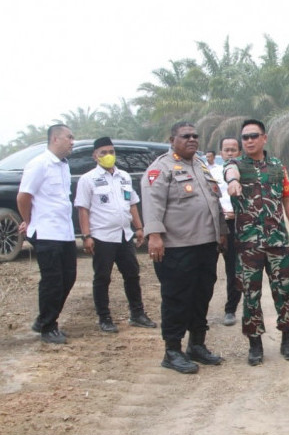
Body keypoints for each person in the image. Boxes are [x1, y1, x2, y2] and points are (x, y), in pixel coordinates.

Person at [141, 122, 228, 374]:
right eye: (185, 136)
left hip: (205, 244)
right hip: (177, 246)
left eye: (195, 136)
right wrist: (154, 236)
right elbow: (152, 204)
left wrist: (221, 230)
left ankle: (197, 345)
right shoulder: (160, 168)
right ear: (172, 139)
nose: (192, 139)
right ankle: (172, 350)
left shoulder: (201, 166)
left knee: (201, 296)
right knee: (177, 299)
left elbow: (214, 201)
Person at [224, 119, 289, 366]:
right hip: (248, 245)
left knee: (285, 291)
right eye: (244, 137)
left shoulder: (278, 167)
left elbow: (288, 198)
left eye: (253, 136)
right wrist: (233, 181)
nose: (248, 141)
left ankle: (288, 340)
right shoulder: (235, 164)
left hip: (277, 241)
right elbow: (230, 172)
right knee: (250, 294)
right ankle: (255, 344)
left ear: (264, 138)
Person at [74, 137, 157, 333]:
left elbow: (132, 204)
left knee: (132, 275)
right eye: (103, 153)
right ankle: (104, 318)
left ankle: (137, 314)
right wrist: (86, 236)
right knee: (102, 278)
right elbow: (83, 209)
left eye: (111, 152)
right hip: (102, 236)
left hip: (124, 235)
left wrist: (139, 228)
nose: (108, 156)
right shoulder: (88, 179)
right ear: (95, 156)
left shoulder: (124, 177)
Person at [17, 124, 76, 345]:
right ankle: (49, 327)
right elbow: (23, 198)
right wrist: (30, 221)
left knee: (68, 278)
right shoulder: (39, 164)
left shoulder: (63, 165)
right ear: (55, 139)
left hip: (65, 232)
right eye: (69, 137)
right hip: (46, 232)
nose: (72, 141)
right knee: (52, 281)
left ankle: (43, 319)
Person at [209, 136, 243, 326]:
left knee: (234, 270)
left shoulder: (244, 172)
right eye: (226, 149)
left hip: (234, 225)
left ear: (239, 152)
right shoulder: (210, 171)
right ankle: (202, 308)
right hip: (212, 226)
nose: (230, 152)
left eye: (233, 149)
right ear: (220, 152)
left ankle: (230, 309)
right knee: (207, 271)